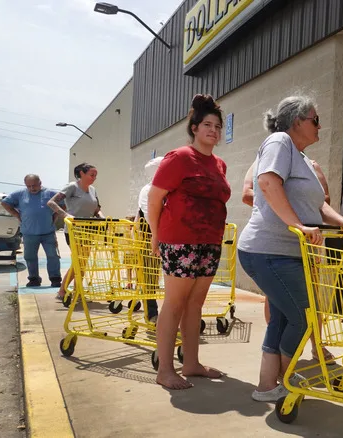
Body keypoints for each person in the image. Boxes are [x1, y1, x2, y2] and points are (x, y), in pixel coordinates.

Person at [237, 94, 343, 402]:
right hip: (268, 250)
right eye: (315, 119)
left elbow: (318, 206)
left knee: (282, 318)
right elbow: (266, 183)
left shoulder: (302, 159)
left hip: (287, 253)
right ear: (297, 121)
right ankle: (288, 379)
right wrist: (297, 226)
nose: (320, 125)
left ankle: (267, 385)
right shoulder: (279, 142)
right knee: (303, 317)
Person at [147, 94, 232, 390]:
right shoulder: (180, 157)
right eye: (207, 124)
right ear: (194, 128)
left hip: (210, 242)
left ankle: (192, 363)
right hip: (180, 242)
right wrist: (156, 236)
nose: (213, 130)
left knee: (196, 303)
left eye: (218, 126)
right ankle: (165, 370)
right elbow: (154, 198)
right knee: (174, 303)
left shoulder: (219, 163)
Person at [242, 155, 335, 361]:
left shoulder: (312, 165)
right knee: (276, 301)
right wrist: (281, 204)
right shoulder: (260, 163)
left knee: (311, 297)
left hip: (307, 243)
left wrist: (299, 204)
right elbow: (247, 194)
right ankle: (280, 350)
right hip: (276, 245)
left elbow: (324, 201)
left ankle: (316, 345)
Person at [48, 163, 104, 300]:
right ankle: (62, 290)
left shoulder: (93, 190)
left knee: (83, 262)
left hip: (89, 229)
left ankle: (78, 291)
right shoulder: (72, 187)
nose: (94, 178)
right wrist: (66, 215)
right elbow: (52, 202)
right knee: (78, 261)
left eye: (95, 175)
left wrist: (102, 218)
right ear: (81, 173)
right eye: (91, 175)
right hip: (74, 229)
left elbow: (96, 209)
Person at [1, 174, 62, 287]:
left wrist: (56, 216)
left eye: (34, 185)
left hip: (48, 232)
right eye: (28, 186)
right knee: (30, 256)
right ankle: (34, 279)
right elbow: (4, 203)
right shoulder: (19, 194)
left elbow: (63, 205)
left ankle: (55, 279)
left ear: (40, 183)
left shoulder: (50, 193)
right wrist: (16, 214)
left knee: (53, 255)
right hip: (29, 233)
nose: (32, 188)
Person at [136, 156, 164, 325]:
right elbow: (149, 216)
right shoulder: (149, 190)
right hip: (150, 238)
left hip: (165, 238)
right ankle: (151, 314)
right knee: (150, 278)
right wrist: (156, 238)